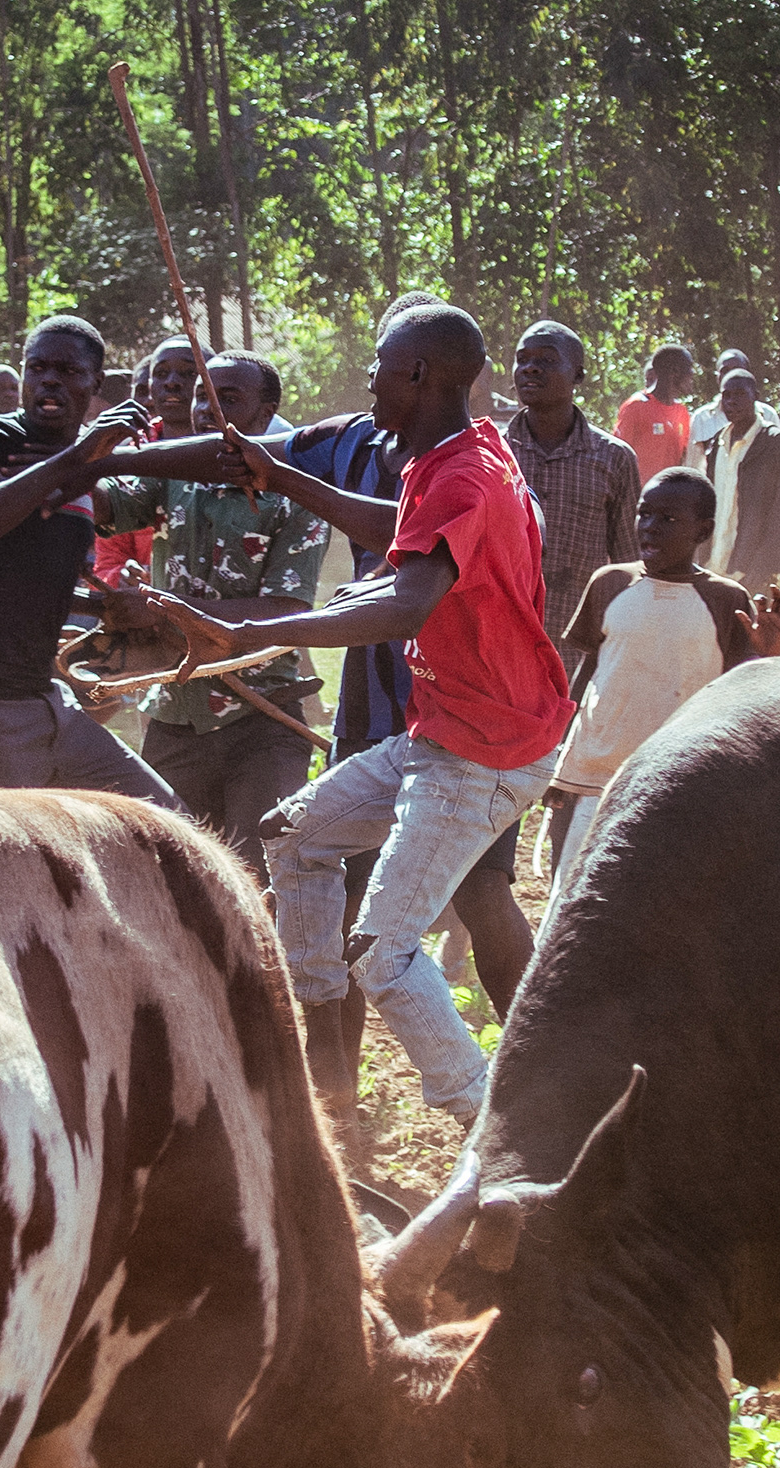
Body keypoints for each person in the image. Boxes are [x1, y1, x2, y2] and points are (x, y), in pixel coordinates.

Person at [141, 304, 569, 1129]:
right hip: (441, 733)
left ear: (418, 375)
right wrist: (289, 477)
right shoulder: (449, 452)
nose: (367, 377)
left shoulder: (469, 474)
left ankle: (491, 1130)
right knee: (291, 837)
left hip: (487, 750)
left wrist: (256, 631)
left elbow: (411, 601)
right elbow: (399, 538)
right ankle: (321, 1042)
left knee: (384, 948)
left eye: (379, 363)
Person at [0, 314, 168, 800]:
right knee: (17, 861)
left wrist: (101, 608)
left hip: (46, 698)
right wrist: (80, 457)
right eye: (38, 367)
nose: (49, 379)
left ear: (94, 384)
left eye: (68, 371)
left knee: (167, 821)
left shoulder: (95, 457)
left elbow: (25, 575)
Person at [121, 350, 330, 874]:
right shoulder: (169, 467)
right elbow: (110, 505)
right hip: (174, 712)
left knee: (255, 876)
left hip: (261, 716)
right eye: (201, 396)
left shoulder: (295, 491)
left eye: (227, 398)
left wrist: (161, 609)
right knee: (167, 877)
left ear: (266, 412)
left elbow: (284, 611)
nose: (206, 409)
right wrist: (89, 453)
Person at [544, 468, 780, 881]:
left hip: (678, 779)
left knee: (661, 891)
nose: (650, 528)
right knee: (572, 889)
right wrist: (562, 757)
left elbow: (745, 689)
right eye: (644, 514)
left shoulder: (727, 600)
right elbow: (589, 672)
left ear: (703, 532)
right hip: (595, 770)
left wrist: (769, 655)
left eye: (668, 519)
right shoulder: (610, 583)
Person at [500, 320, 640, 679]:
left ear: (578, 376)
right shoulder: (492, 453)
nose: (530, 367)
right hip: (498, 636)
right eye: (522, 359)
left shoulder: (613, 457)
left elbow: (629, 562)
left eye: (546, 359)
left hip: (577, 647)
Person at [688, 368, 780, 595]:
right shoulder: (717, 444)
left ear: (755, 396)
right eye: (726, 396)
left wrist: (765, 566)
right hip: (714, 565)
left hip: (752, 570)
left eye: (739, 394)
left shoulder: (776, 445)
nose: (731, 402)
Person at [614, 344, 696, 480]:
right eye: (689, 368)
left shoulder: (681, 411)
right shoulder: (636, 406)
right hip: (640, 497)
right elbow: (617, 455)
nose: (692, 373)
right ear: (674, 372)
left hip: (670, 495)